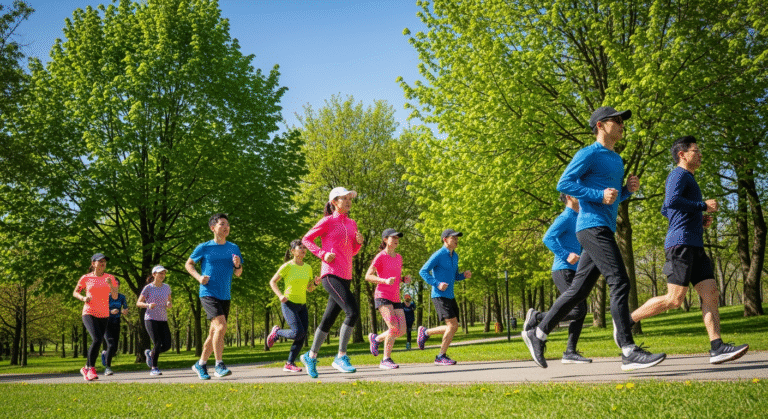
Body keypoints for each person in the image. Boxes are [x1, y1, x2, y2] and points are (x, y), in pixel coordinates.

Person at [523, 106, 666, 371]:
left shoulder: (617, 159)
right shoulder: (588, 153)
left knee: (579, 291)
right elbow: (564, 184)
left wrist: (626, 190)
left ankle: (539, 332)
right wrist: (598, 195)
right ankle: (628, 350)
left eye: (623, 121)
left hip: (603, 227)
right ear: (600, 125)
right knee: (619, 281)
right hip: (591, 226)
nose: (622, 124)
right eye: (617, 120)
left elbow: (612, 198)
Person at [630, 136, 748, 364]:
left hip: (695, 244)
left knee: (711, 293)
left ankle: (717, 347)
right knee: (674, 300)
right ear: (682, 154)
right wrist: (702, 206)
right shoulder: (678, 174)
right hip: (681, 245)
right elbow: (671, 201)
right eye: (696, 150)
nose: (700, 154)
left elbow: (666, 209)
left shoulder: (688, 178)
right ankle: (626, 322)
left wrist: (697, 218)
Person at [300, 187, 364, 379]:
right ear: (334, 202)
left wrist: (359, 243)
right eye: (344, 198)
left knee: (328, 319)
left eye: (349, 198)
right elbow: (306, 239)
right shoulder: (327, 221)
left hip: (346, 275)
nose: (348, 201)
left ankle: (310, 356)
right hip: (330, 274)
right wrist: (322, 254)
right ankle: (341, 356)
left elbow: (351, 252)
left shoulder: (352, 223)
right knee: (352, 312)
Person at [524, 194, 591, 364]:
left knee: (581, 310)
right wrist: (566, 254)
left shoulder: (579, 216)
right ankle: (537, 317)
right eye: (576, 193)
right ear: (568, 197)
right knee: (577, 310)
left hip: (575, 270)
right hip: (563, 270)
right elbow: (547, 238)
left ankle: (570, 351)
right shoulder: (565, 217)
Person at [186, 213, 243, 380]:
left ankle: (201, 364)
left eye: (227, 224)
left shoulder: (233, 247)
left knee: (214, 333)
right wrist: (198, 277)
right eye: (222, 224)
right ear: (213, 228)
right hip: (208, 292)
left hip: (225, 294)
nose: (226, 227)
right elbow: (189, 264)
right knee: (221, 327)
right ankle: (219, 365)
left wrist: (237, 265)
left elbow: (238, 273)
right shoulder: (204, 247)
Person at [417, 229, 471, 365]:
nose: (456, 240)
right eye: (454, 238)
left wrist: (463, 275)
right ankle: (440, 356)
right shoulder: (439, 254)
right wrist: (437, 284)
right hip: (439, 295)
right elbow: (423, 271)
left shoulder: (455, 256)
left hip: (450, 295)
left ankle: (426, 332)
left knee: (454, 326)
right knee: (452, 325)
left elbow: (455, 276)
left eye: (457, 238)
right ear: (445, 239)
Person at [267, 240, 321, 373]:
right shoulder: (287, 266)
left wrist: (315, 283)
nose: (303, 250)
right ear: (293, 251)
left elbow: (309, 288)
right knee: (297, 332)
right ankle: (277, 332)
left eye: (304, 248)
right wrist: (280, 295)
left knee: (302, 335)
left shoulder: (308, 267)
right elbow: (272, 282)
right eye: (300, 247)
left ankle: (289, 363)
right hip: (289, 304)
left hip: (302, 305)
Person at [365, 228, 412, 369]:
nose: (397, 240)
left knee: (401, 330)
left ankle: (376, 339)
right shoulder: (380, 256)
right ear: (385, 239)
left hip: (395, 297)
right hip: (382, 296)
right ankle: (386, 359)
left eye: (398, 238)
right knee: (393, 327)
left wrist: (403, 279)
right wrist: (384, 281)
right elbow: (368, 276)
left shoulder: (399, 257)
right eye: (393, 237)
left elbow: (395, 277)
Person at [73, 253, 118, 381]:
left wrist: (111, 285)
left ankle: (86, 368)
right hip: (89, 312)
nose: (103, 263)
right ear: (93, 263)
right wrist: (83, 298)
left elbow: (115, 296)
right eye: (100, 261)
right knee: (97, 339)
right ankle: (91, 368)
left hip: (104, 314)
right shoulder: (86, 278)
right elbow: (75, 292)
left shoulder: (110, 277)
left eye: (104, 261)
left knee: (98, 340)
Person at [137, 265, 173, 376]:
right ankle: (154, 368)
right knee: (157, 343)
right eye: (160, 273)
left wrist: (169, 303)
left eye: (164, 273)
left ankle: (151, 354)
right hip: (150, 319)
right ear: (154, 274)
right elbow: (138, 303)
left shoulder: (167, 287)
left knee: (167, 345)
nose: (162, 275)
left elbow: (169, 300)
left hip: (163, 319)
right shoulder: (148, 288)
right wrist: (147, 305)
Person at [101, 280, 128, 376]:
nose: (115, 286)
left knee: (114, 349)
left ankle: (105, 354)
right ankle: (107, 368)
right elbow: (100, 310)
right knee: (111, 345)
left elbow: (125, 309)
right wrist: (110, 311)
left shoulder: (122, 297)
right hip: (106, 323)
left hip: (116, 322)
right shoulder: (105, 297)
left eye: (117, 285)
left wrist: (124, 311)